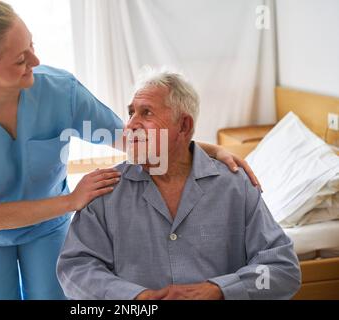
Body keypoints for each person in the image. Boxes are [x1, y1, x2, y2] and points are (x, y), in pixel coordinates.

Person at [0, 0, 260, 300]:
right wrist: (72, 200)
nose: (36, 61)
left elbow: (131, 140)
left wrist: (211, 151)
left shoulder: (58, 91)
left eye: (32, 46)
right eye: (21, 59)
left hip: (46, 226)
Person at [57, 70, 301, 300]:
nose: (130, 124)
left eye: (146, 113)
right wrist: (135, 297)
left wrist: (219, 290)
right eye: (131, 112)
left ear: (184, 126)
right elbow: (75, 270)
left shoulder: (235, 187)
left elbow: (282, 269)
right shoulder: (106, 190)